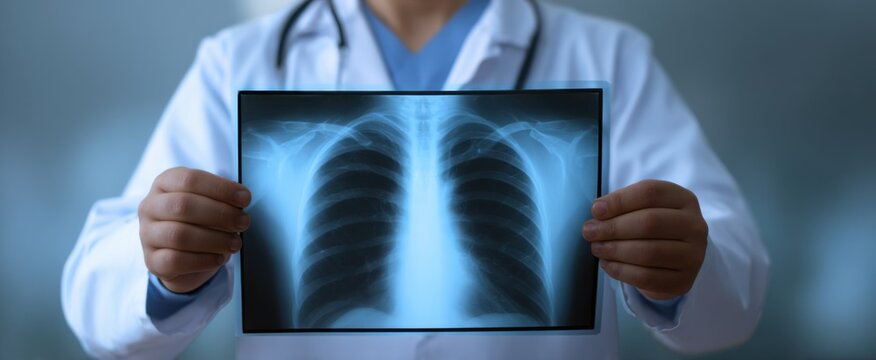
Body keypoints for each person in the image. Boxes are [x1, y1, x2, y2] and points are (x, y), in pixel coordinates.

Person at [61, 0, 770, 358]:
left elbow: (735, 298)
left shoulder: (609, 54)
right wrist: (158, 269)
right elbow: (95, 297)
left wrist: (687, 266)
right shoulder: (237, 63)